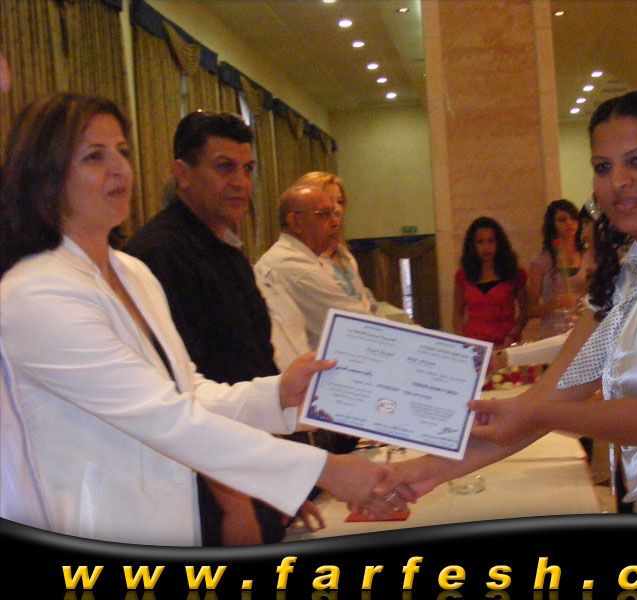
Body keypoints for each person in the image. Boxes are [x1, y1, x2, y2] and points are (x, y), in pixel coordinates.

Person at [0, 93, 405, 545]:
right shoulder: (36, 292)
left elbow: (188, 391)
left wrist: (278, 393)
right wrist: (325, 470)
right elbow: (166, 417)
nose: (119, 169)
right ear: (45, 177)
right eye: (95, 156)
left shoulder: (131, 272)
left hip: (169, 523)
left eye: (123, 152)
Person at [380, 91, 637, 524]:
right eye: (603, 167)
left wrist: (537, 412)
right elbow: (550, 395)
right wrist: (417, 473)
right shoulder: (635, 268)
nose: (618, 181)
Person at [124, 111, 321, 545]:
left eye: (247, 169)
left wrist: (278, 480)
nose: (240, 183)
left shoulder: (228, 252)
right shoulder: (158, 255)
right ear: (183, 174)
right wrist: (238, 505)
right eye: (224, 167)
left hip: (247, 473)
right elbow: (180, 398)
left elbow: (254, 367)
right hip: (206, 490)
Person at [255, 184, 372, 454]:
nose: (335, 222)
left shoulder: (309, 260)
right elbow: (359, 326)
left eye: (336, 213)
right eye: (324, 214)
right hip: (299, 418)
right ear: (295, 221)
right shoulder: (291, 266)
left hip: (309, 407)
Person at [293, 171, 377, 314]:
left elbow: (360, 299)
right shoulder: (300, 259)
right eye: (328, 201)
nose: (336, 208)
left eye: (339, 201)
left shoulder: (343, 253)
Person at [453, 216, 528, 347]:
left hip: (505, 344)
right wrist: (463, 342)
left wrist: (511, 336)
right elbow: (457, 314)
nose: (486, 247)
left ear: (499, 243)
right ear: (472, 245)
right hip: (474, 346)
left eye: (491, 241)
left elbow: (525, 310)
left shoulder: (514, 273)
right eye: (480, 242)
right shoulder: (463, 275)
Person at [527, 199, 592, 338]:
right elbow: (530, 310)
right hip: (553, 333)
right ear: (553, 225)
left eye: (573, 218)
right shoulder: (541, 262)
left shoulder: (588, 257)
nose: (569, 223)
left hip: (581, 331)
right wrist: (556, 304)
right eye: (562, 220)